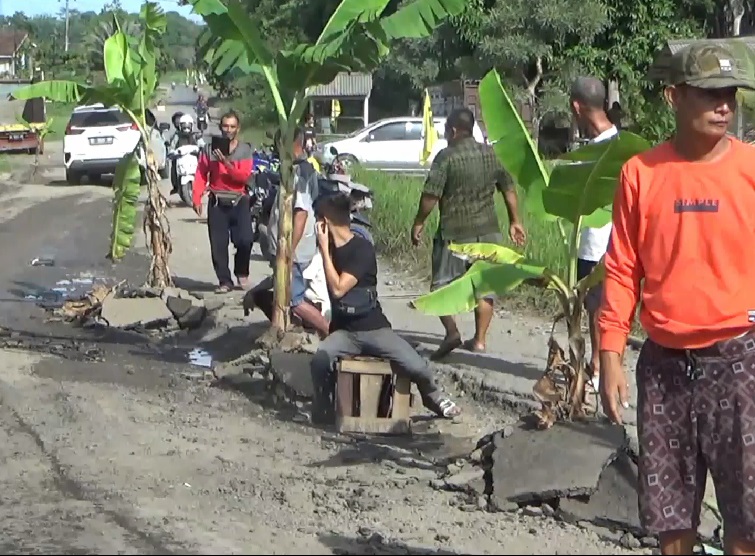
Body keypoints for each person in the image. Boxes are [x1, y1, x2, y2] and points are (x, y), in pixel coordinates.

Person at [599, 42, 755, 556]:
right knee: (671, 523)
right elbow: (623, 269)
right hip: (665, 368)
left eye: (730, 95)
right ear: (675, 96)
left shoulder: (751, 169)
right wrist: (610, 356)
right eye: (710, 95)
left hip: (740, 364)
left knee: (747, 521)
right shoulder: (641, 174)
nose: (724, 106)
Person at [310, 193, 462, 424]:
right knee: (320, 360)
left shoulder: (361, 249)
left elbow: (339, 289)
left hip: (373, 328)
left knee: (417, 367)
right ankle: (324, 406)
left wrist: (323, 249)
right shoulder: (327, 248)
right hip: (344, 333)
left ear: (325, 222)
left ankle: (434, 397)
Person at [411, 107, 526, 361]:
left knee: (440, 285)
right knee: (484, 287)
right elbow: (508, 189)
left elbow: (431, 196)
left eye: (445, 130)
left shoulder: (446, 157)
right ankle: (480, 340)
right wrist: (515, 221)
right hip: (488, 233)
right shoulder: (491, 155)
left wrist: (419, 221)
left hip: (454, 233)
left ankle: (452, 331)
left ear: (453, 130)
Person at [569, 76, 619, 394]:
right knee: (593, 308)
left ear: (577, 107)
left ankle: (601, 369)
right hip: (594, 242)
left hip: (601, 244)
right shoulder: (610, 143)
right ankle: (596, 365)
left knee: (599, 310)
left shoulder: (608, 147)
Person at [263, 126, 331, 337]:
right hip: (295, 247)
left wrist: (288, 250)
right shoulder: (303, 168)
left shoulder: (298, 172)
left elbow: (300, 213)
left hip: (295, 248)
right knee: (285, 293)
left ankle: (329, 332)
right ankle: (282, 330)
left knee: (294, 299)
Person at [192, 110, 254, 293]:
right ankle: (224, 281)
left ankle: (242, 271)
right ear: (220, 127)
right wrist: (197, 197)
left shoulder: (245, 150)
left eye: (232, 126)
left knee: (245, 240)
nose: (228, 130)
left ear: (238, 129)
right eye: (225, 126)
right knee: (218, 244)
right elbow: (201, 173)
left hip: (239, 200)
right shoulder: (210, 149)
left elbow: (243, 177)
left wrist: (226, 163)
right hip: (217, 201)